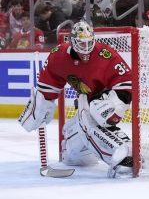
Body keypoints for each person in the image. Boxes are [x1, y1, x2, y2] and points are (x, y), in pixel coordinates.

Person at [18, 21, 133, 178]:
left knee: (90, 113)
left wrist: (116, 104)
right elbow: (46, 89)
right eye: (81, 43)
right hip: (85, 99)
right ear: (71, 41)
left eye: (89, 42)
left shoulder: (105, 54)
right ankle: (95, 149)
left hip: (105, 99)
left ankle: (127, 157)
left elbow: (127, 83)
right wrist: (40, 106)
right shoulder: (58, 56)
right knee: (71, 152)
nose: (86, 48)